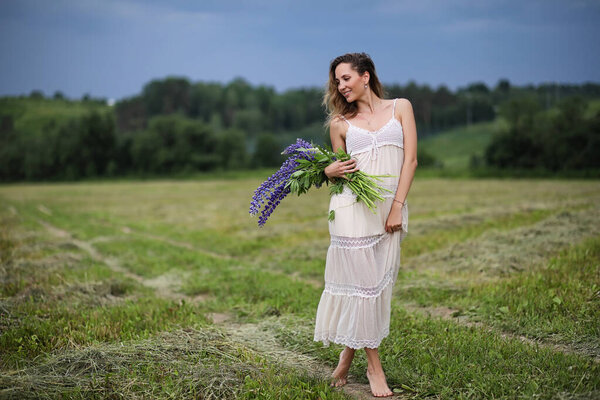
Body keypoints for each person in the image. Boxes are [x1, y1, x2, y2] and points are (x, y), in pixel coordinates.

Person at [313, 52, 418, 397]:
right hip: (350, 213)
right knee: (366, 287)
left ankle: (347, 356)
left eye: (345, 78)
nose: (340, 86)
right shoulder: (339, 125)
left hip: (387, 211)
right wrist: (327, 171)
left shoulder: (401, 108)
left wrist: (396, 209)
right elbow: (340, 175)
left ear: (365, 76)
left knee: (373, 290)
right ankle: (374, 369)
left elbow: (411, 161)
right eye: (337, 82)